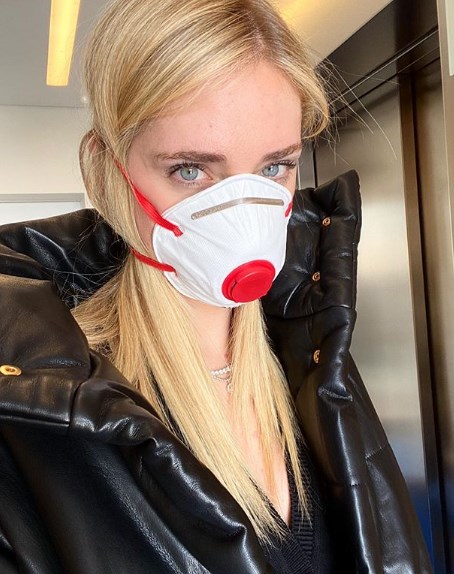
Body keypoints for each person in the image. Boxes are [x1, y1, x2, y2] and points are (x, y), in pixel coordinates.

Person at [0, 0, 432, 572]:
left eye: (274, 167)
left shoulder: (308, 347)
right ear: (108, 171)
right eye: (190, 170)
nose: (243, 217)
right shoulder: (47, 410)